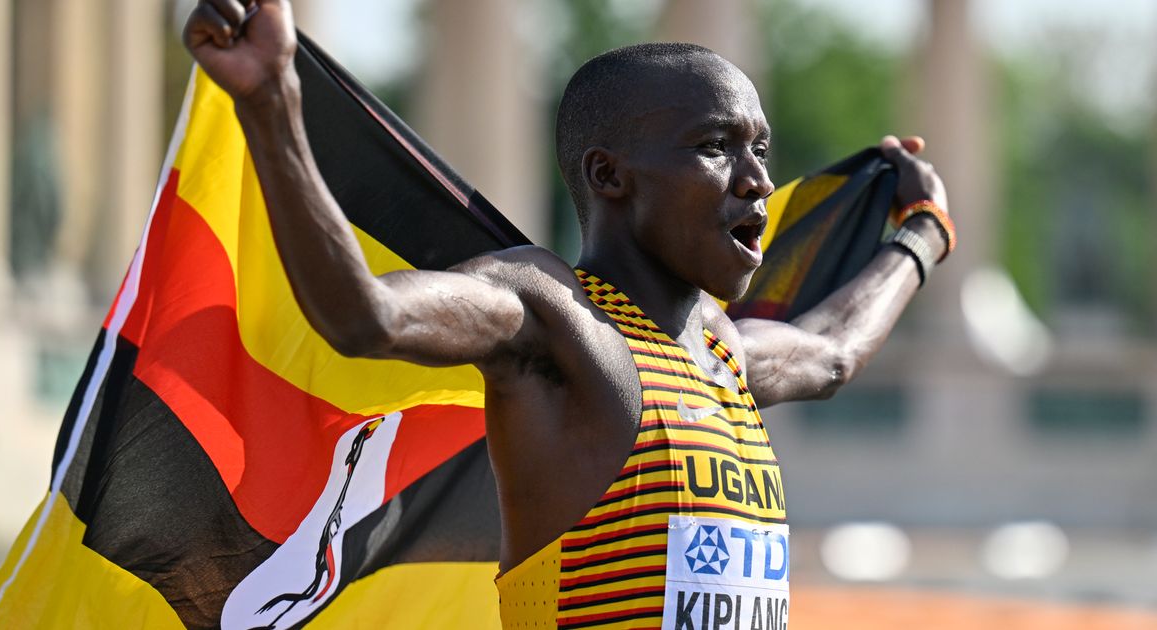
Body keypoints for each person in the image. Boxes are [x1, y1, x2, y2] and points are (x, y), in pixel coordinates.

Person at [184, 1, 953, 627]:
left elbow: (833, 350)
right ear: (609, 175)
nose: (756, 179)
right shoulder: (553, 317)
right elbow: (366, 316)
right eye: (716, 146)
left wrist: (923, 232)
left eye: (761, 148)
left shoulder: (726, 355)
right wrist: (273, 103)